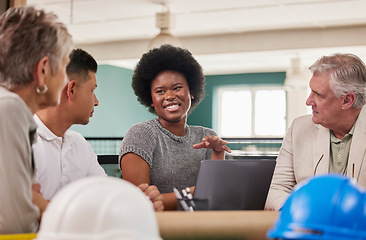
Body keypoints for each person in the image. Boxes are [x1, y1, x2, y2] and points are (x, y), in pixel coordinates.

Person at [32, 48, 164, 213]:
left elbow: (104, 198)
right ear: (71, 89)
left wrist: (137, 201)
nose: (96, 101)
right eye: (92, 90)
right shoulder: (23, 142)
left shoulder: (79, 144)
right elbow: (23, 211)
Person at [119, 44, 231, 210]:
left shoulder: (207, 136)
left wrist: (217, 152)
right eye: (160, 91)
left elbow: (214, 197)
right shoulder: (141, 134)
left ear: (191, 91)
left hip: (204, 226)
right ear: (150, 98)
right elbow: (138, 202)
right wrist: (194, 193)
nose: (170, 96)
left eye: (177, 88)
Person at [0, 6, 73, 234]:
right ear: (42, 70)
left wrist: (36, 203)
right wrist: (35, 206)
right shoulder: (9, 109)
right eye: (64, 67)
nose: (66, 78)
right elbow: (16, 224)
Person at [265, 53, 366, 211]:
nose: (308, 101)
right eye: (311, 91)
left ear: (347, 100)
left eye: (318, 94)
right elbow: (276, 189)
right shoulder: (298, 129)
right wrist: (305, 212)